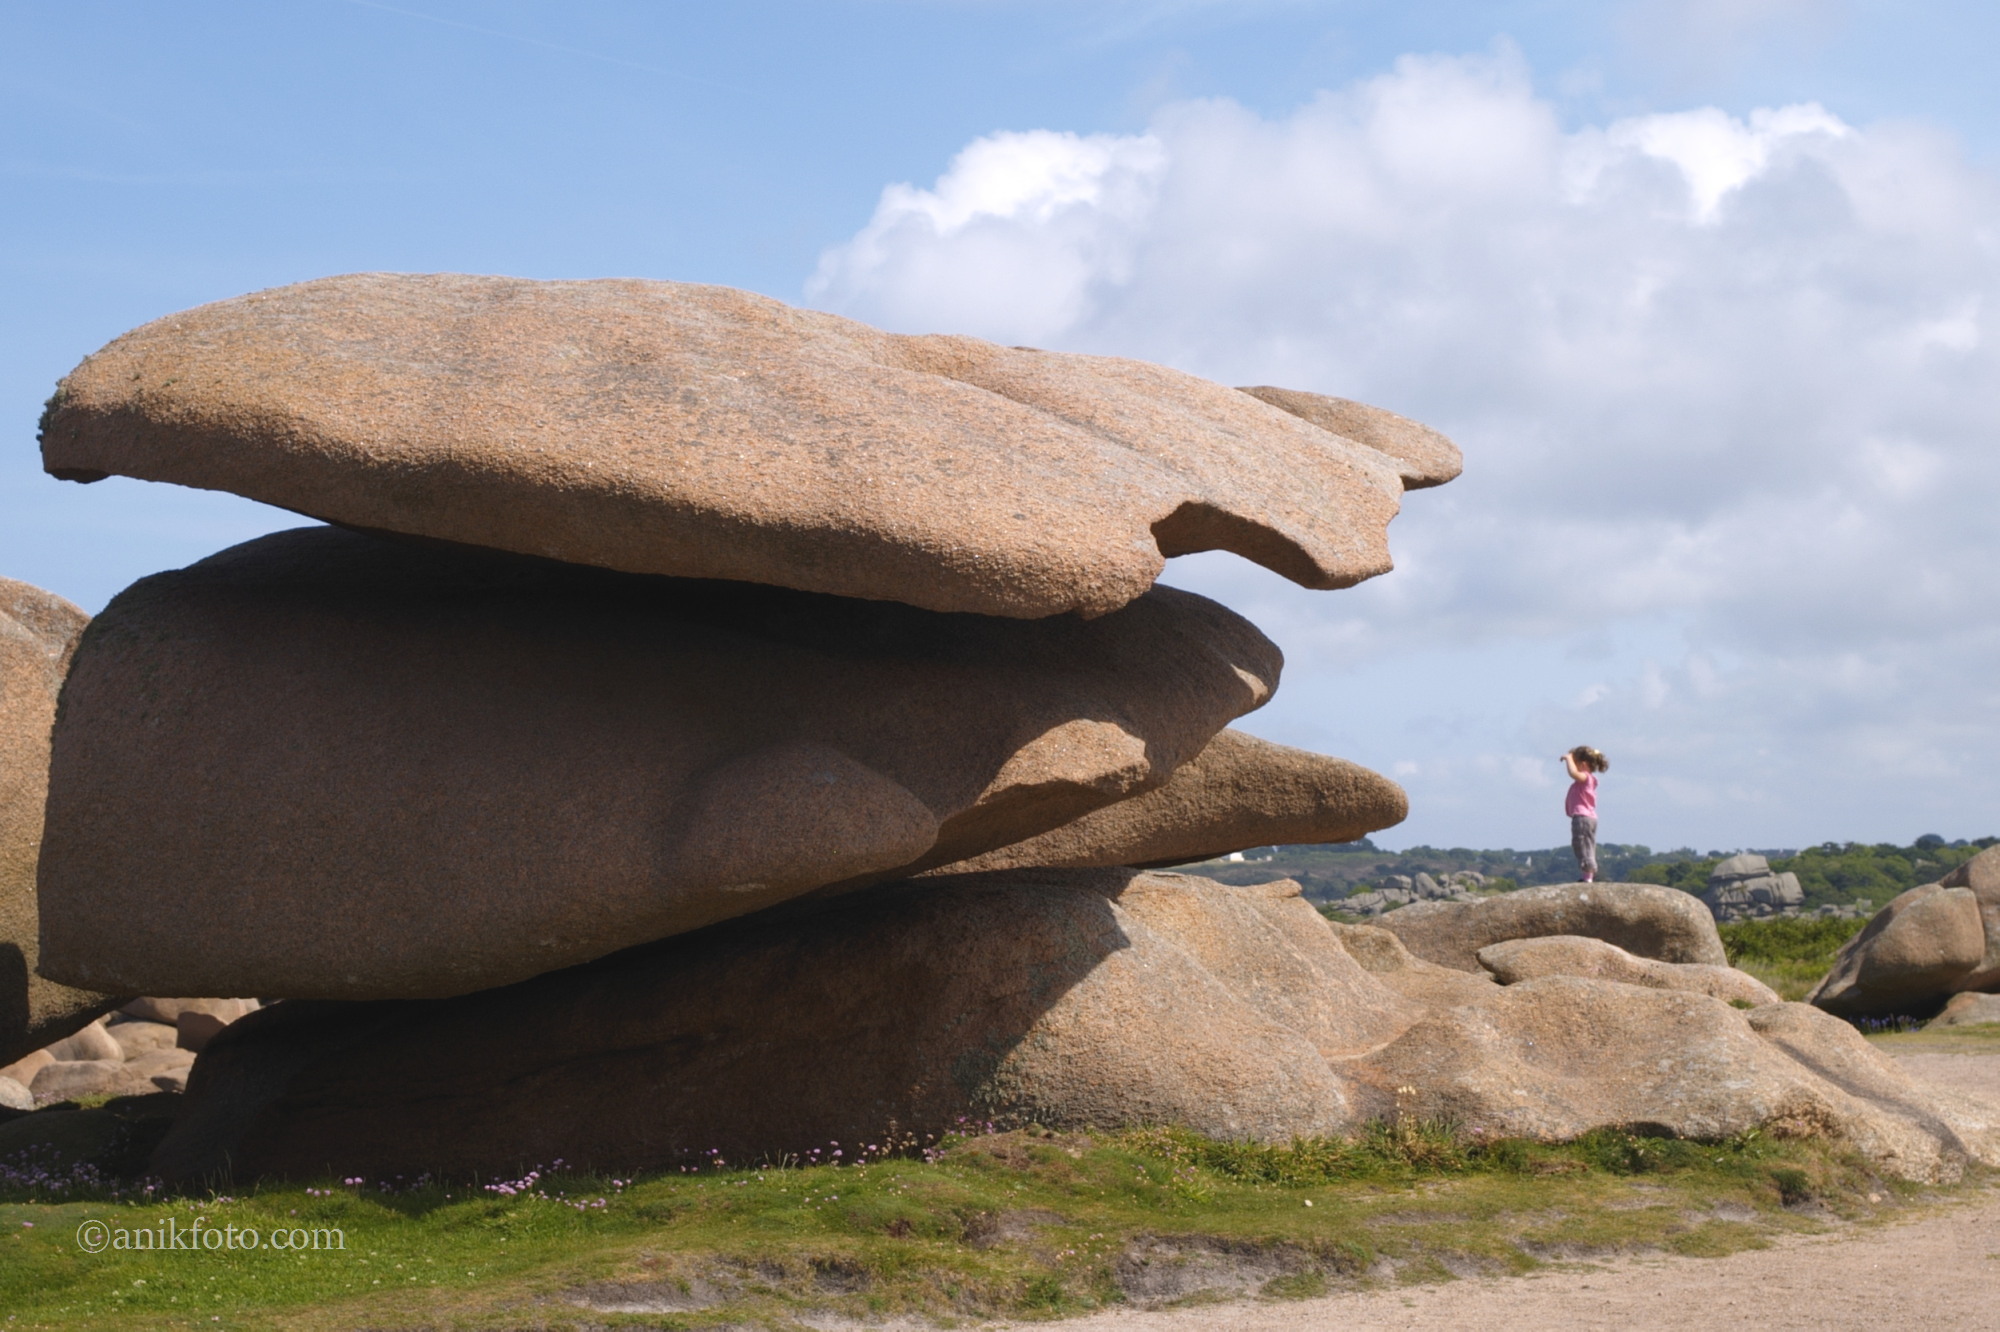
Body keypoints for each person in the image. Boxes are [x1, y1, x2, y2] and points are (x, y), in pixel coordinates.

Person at [1561, 745, 1609, 882]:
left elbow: (1573, 773)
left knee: (1582, 844)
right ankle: (1587, 875)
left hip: (1583, 818)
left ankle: (1588, 875)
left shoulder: (1586, 778)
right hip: (1587, 817)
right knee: (1585, 844)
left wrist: (1568, 759)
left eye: (1575, 763)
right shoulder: (1588, 780)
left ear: (1583, 764)